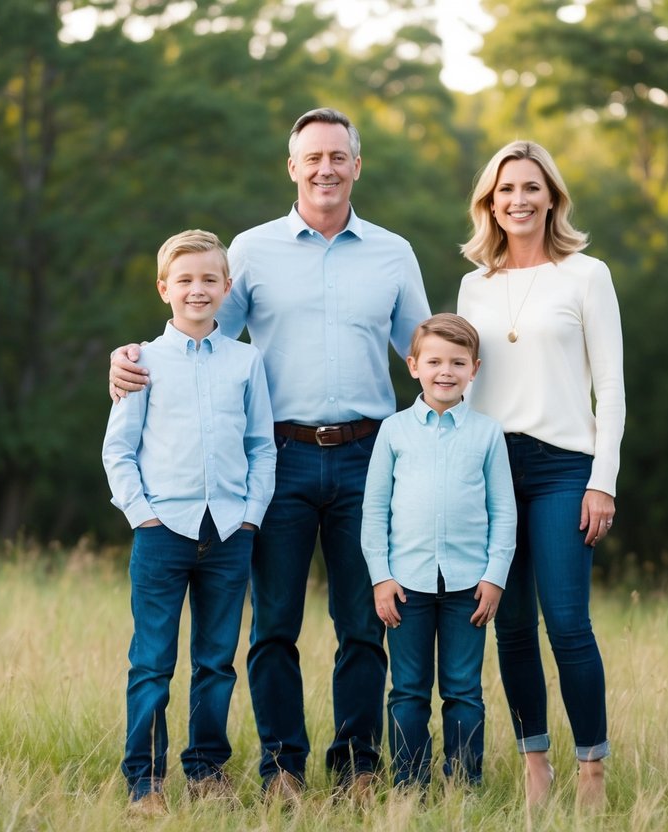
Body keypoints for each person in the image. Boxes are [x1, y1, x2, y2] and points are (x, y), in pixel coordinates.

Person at [109, 108, 431, 799]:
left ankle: (356, 768)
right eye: (311, 157)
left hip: (366, 458)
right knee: (273, 626)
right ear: (291, 167)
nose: (325, 168)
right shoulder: (248, 251)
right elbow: (195, 339)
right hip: (274, 460)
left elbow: (427, 357)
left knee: (363, 623)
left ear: (356, 165)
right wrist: (127, 360)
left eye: (337, 156)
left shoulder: (392, 253)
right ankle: (282, 767)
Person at [456, 140, 625, 809]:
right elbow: (462, 388)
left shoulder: (586, 276)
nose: (518, 200)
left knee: (566, 623)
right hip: (492, 467)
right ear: (488, 203)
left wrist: (602, 479)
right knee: (510, 626)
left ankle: (591, 771)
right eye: (505, 190)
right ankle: (534, 767)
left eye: (531, 188)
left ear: (551, 196)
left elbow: (609, 387)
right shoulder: (476, 284)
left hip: (563, 468)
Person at [101, 229, 276, 814]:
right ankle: (144, 782)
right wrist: (142, 516)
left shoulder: (246, 360)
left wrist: (251, 517)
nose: (197, 290)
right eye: (185, 280)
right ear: (163, 288)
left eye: (209, 279)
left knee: (216, 662)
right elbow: (118, 450)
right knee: (152, 660)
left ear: (227, 287)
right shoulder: (141, 362)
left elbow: (262, 446)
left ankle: (205, 771)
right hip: (162, 532)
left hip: (228, 533)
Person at [361, 313, 516, 789]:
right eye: (434, 361)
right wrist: (381, 577)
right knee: (407, 691)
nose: (445, 371)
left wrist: (494, 577)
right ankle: (409, 786)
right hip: (405, 585)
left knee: (464, 691)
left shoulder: (488, 434)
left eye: (458, 362)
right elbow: (373, 513)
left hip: (469, 586)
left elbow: (503, 512)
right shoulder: (393, 431)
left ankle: (464, 786)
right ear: (413, 366)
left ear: (475, 369)